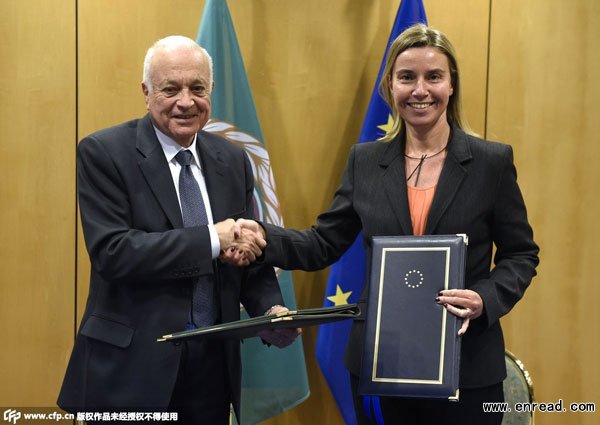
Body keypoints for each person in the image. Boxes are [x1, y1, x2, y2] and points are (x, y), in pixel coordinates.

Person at [231, 24, 539, 425]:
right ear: (390, 86)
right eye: (406, 77)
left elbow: (521, 254)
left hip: (467, 364)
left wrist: (485, 298)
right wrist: (263, 237)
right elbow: (324, 242)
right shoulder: (365, 161)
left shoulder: (490, 162)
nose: (420, 90)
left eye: (434, 76)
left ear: (451, 85)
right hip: (381, 363)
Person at [57, 35, 298, 424]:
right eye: (171, 89)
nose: (186, 101)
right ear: (146, 92)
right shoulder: (104, 153)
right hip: (129, 373)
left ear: (211, 91)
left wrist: (270, 310)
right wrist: (210, 239)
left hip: (211, 372)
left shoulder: (232, 160)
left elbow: (245, 255)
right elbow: (114, 252)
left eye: (197, 88)